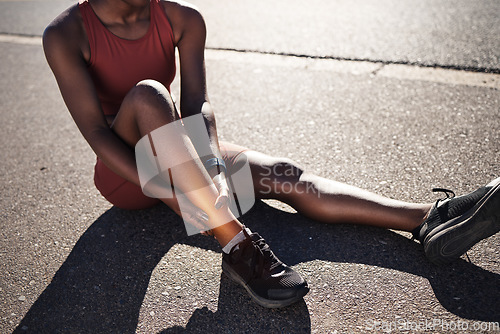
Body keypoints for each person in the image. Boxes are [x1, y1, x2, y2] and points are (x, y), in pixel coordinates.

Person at [43, 0, 500, 309]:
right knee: (147, 94)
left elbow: (196, 105)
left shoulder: (182, 18)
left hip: (183, 155)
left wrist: (212, 169)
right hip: (127, 177)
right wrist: (184, 194)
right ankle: (236, 244)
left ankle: (427, 218)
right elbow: (98, 135)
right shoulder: (66, 34)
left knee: (288, 176)